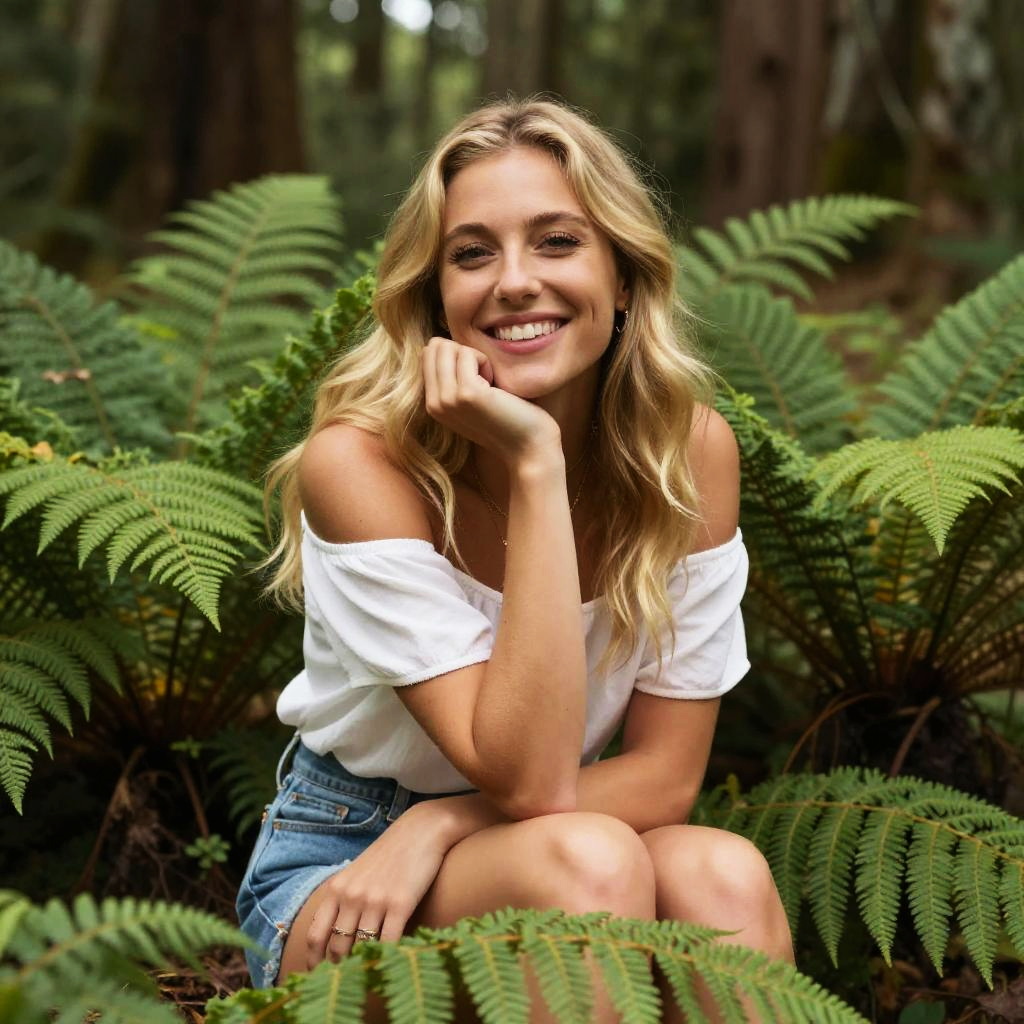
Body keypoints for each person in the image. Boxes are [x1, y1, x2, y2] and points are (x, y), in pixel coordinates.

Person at [235, 96, 794, 1019]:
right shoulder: (365, 464)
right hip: (346, 869)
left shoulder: (688, 454)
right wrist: (536, 464)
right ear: (434, 298)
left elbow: (666, 774)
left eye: (557, 242)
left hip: (514, 832)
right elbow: (530, 779)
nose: (514, 281)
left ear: (623, 278)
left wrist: (441, 822)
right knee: (587, 858)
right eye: (472, 253)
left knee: (723, 876)